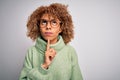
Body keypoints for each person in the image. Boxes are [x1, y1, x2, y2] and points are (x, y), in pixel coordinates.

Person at [19, 3, 83, 80]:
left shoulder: (70, 51)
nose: (48, 27)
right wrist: (44, 66)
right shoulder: (31, 52)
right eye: (44, 22)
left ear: (61, 28)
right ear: (38, 26)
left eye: (54, 22)